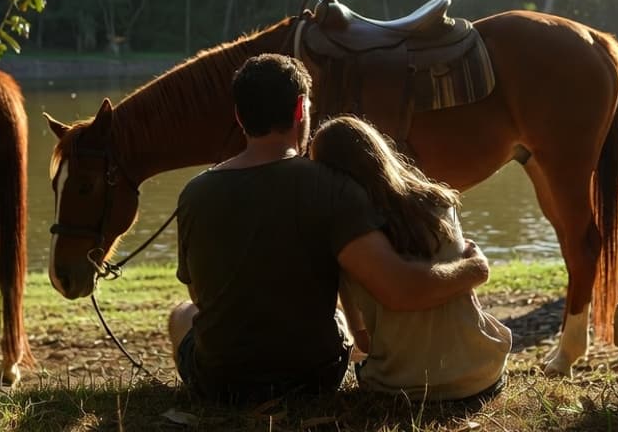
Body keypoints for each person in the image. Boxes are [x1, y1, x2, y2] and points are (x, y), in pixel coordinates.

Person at [168, 53, 489, 404]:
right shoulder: (332, 187)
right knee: (336, 317)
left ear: (239, 116)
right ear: (300, 110)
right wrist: (472, 268)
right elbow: (400, 289)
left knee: (182, 314)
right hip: (311, 380)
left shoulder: (194, 193)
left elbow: (202, 297)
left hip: (218, 384)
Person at [309, 114, 512, 402]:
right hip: (483, 374)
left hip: (402, 389)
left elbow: (363, 339)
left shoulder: (347, 236)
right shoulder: (440, 201)